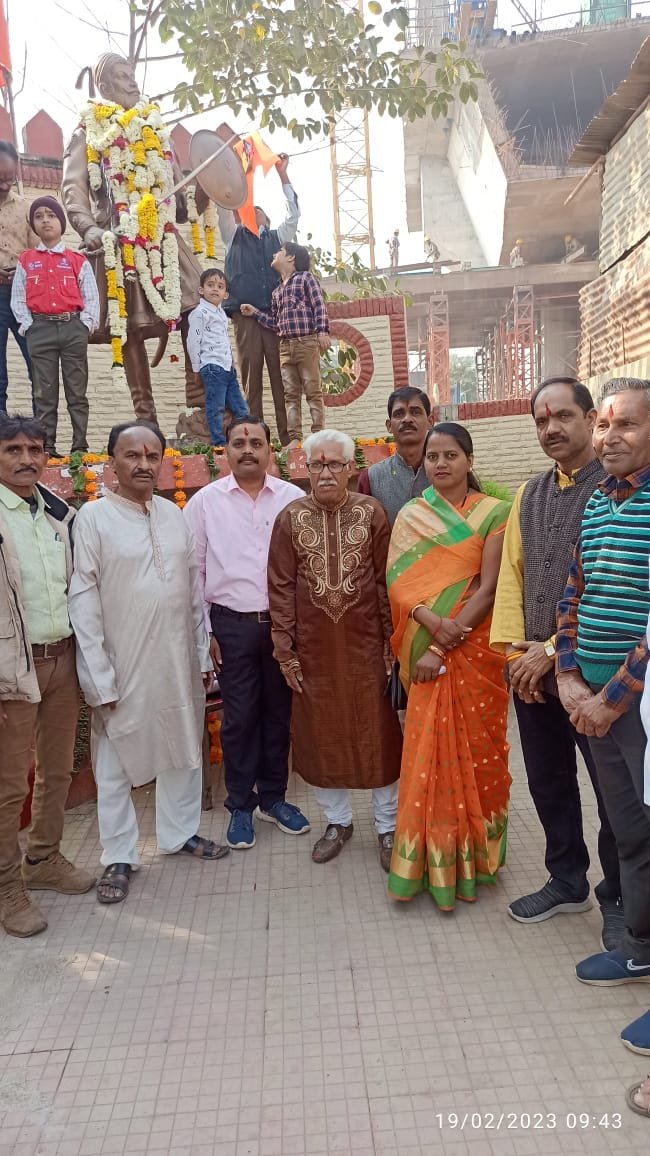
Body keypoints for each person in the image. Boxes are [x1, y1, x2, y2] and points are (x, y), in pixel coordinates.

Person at [68, 421, 228, 904]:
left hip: (177, 659)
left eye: (151, 455)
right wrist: (98, 677)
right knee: (115, 758)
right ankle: (119, 854)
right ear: (112, 461)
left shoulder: (173, 515)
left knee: (184, 746)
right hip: (124, 661)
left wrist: (200, 651)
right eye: (131, 455)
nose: (143, 464)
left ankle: (179, 834)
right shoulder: (93, 519)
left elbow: (193, 592)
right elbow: (83, 601)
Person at [490, 377, 621, 945]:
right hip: (532, 673)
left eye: (563, 416)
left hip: (596, 675)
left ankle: (620, 896)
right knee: (548, 780)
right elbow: (511, 577)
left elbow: (610, 591)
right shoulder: (530, 493)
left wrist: (551, 652)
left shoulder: (616, 490)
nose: (551, 429)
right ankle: (566, 879)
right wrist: (516, 653)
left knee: (612, 793)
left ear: (591, 420)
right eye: (541, 420)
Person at [387, 423, 511, 908]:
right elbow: (398, 583)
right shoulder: (411, 515)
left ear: (469, 460)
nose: (440, 463)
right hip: (426, 636)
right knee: (428, 756)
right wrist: (430, 621)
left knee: (478, 755)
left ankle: (476, 857)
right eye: (433, 456)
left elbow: (489, 586)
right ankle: (430, 861)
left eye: (451, 455)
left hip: (474, 648)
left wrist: (442, 644)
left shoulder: (495, 512)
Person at [267, 429, 402, 869]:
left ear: (350, 469)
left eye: (335, 464)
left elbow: (386, 582)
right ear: (306, 469)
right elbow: (280, 588)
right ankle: (337, 822)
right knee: (320, 737)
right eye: (317, 464)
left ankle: (387, 826)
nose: (326, 473)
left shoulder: (372, 513)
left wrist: (391, 644)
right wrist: (285, 650)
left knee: (379, 736)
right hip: (313, 653)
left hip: (367, 650)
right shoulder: (290, 518)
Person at [556, 378, 650, 990]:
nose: (610, 437)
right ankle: (639, 947)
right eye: (604, 425)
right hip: (592, 702)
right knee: (629, 830)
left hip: (637, 709)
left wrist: (610, 701)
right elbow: (573, 592)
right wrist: (568, 673)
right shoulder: (596, 501)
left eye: (627, 424)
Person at [184, 417, 310, 850]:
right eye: (238, 443)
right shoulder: (205, 503)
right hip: (231, 627)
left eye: (256, 442)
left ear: (270, 450)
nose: (248, 449)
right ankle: (240, 804)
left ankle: (273, 799)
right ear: (225, 451)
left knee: (278, 715)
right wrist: (206, 633)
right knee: (238, 720)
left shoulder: (293, 499)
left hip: (282, 627)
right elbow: (194, 573)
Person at [61, 53, 204, 423]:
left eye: (132, 74)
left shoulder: (154, 128)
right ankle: (146, 417)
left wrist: (196, 194)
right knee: (128, 327)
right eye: (122, 76)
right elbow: (73, 188)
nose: (132, 82)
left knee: (197, 305)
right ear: (105, 86)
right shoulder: (89, 131)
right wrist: (88, 228)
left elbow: (176, 191)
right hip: (119, 236)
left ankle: (198, 406)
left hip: (162, 235)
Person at [0, 413, 94, 938]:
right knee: (8, 784)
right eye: (13, 450)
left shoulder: (60, 514)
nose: (26, 459)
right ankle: (5, 885)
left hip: (62, 658)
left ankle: (43, 858)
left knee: (57, 769)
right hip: (10, 667)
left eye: (35, 450)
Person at [11, 196, 99, 458]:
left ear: (61, 222)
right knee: (44, 393)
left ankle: (80, 446)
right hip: (40, 330)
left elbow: (91, 296)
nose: (45, 220)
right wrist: (28, 326)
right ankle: (47, 447)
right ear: (33, 225)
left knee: (77, 391)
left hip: (72, 328)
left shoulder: (76, 259)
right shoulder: (26, 260)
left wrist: (85, 325)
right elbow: (18, 297)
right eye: (39, 216)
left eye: (51, 215)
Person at [219, 153, 298, 444]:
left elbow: (294, 213)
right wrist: (234, 174)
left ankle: (287, 439)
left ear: (267, 218)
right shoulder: (233, 236)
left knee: (281, 379)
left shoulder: (278, 237)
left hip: (275, 318)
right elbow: (223, 207)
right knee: (251, 379)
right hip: (245, 316)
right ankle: (254, 437)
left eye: (258, 210)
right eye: (248, 210)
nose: (253, 212)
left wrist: (283, 174)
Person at [241, 243, 330, 449]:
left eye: (279, 251)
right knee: (290, 395)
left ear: (291, 257)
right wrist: (255, 312)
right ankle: (295, 438)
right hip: (285, 347)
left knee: (313, 390)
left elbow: (319, 305)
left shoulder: (305, 278)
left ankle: (319, 434)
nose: (274, 254)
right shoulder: (277, 292)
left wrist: (323, 331)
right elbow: (275, 323)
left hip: (306, 342)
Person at [186, 267, 249, 447]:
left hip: (227, 368)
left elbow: (224, 341)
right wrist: (196, 368)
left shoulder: (221, 313)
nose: (215, 289)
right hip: (212, 367)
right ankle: (219, 444)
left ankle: (242, 440)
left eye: (220, 286)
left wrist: (231, 365)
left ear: (225, 294)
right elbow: (193, 341)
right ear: (201, 290)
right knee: (216, 407)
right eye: (210, 285)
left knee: (241, 409)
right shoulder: (199, 313)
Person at [357, 386, 432, 526]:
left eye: (415, 412)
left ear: (430, 421)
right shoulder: (371, 478)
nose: (407, 419)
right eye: (399, 414)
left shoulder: (445, 471)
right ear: (389, 425)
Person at [0, 140, 35, 413]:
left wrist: (24, 272)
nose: (4, 185)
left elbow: (38, 252)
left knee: (39, 367)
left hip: (25, 296)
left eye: (10, 178)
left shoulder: (26, 209)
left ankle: (42, 433)